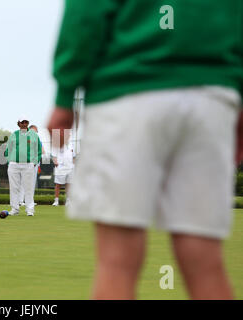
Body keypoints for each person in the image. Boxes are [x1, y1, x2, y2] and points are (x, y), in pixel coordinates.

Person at [47, 1, 242, 299]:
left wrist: (64, 95)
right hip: (211, 95)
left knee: (117, 261)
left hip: (127, 91)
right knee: (205, 258)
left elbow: (85, 13)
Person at [5, 116, 42, 216]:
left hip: (28, 164)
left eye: (26, 122)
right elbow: (8, 149)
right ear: (18, 124)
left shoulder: (34, 135)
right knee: (14, 187)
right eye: (22, 122)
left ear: (28, 123)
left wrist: (34, 161)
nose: (24, 124)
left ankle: (30, 209)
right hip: (14, 164)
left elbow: (39, 150)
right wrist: (10, 161)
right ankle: (15, 209)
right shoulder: (14, 135)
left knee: (29, 187)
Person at [19, 124, 44, 206]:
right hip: (25, 163)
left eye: (36, 132)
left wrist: (35, 161)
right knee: (23, 181)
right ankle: (20, 200)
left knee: (32, 183)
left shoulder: (38, 140)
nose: (35, 133)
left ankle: (29, 201)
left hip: (34, 164)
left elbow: (42, 152)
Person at [51, 142, 75, 207]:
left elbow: (74, 156)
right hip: (60, 167)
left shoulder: (72, 144)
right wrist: (55, 162)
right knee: (58, 184)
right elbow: (53, 154)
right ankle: (56, 201)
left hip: (70, 167)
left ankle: (68, 201)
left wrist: (74, 165)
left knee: (69, 184)